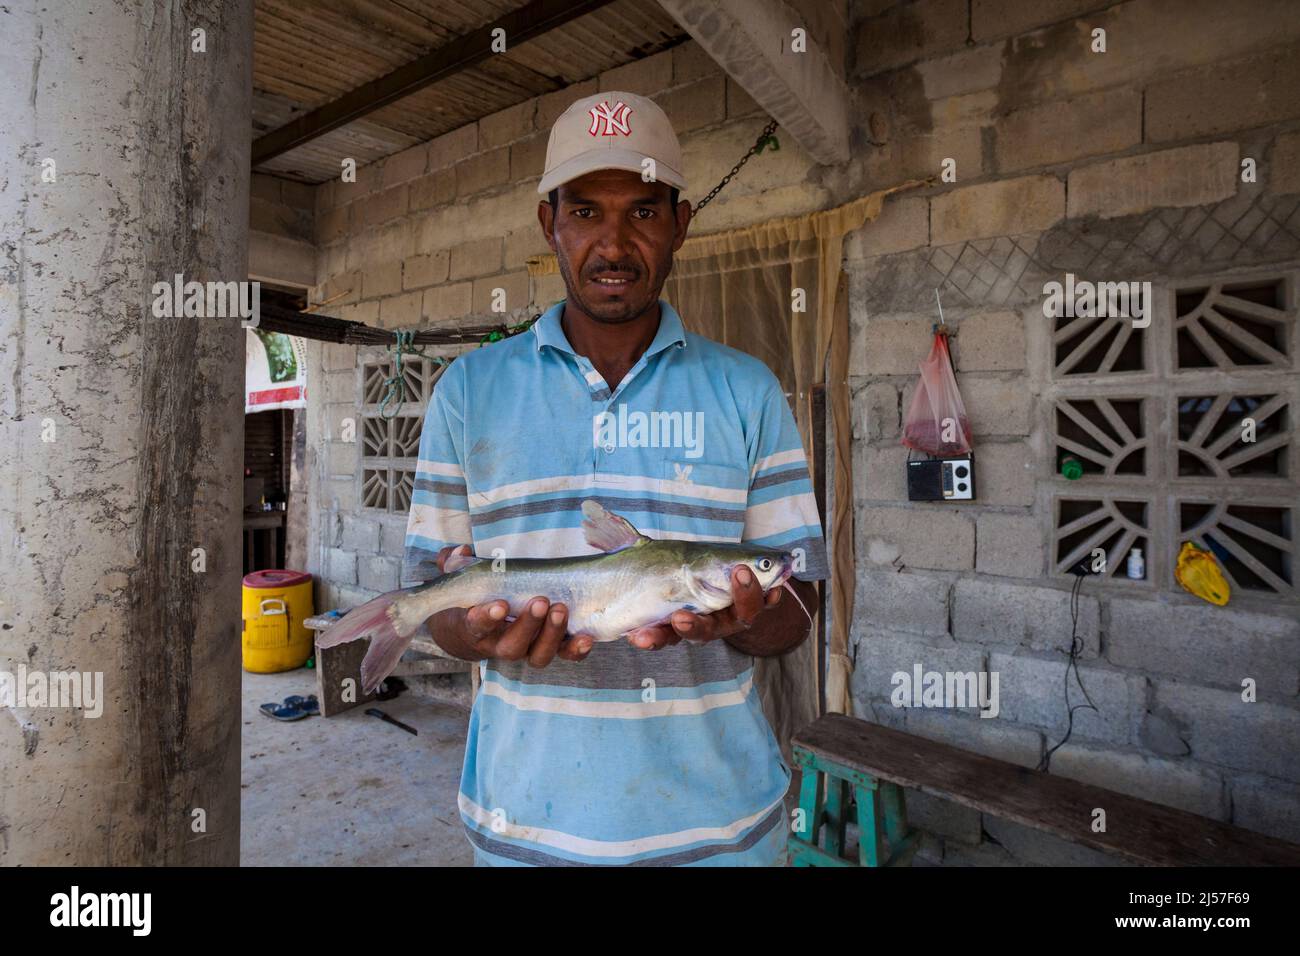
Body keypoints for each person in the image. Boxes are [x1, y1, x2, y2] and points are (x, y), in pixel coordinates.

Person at [403, 90, 828, 866]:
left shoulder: (748, 391)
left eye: (642, 211)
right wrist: (479, 630)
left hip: (721, 835)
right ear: (548, 224)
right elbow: (433, 606)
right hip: (526, 831)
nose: (614, 243)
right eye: (585, 213)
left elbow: (800, 608)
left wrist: (745, 618)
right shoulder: (468, 393)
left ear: (680, 223)